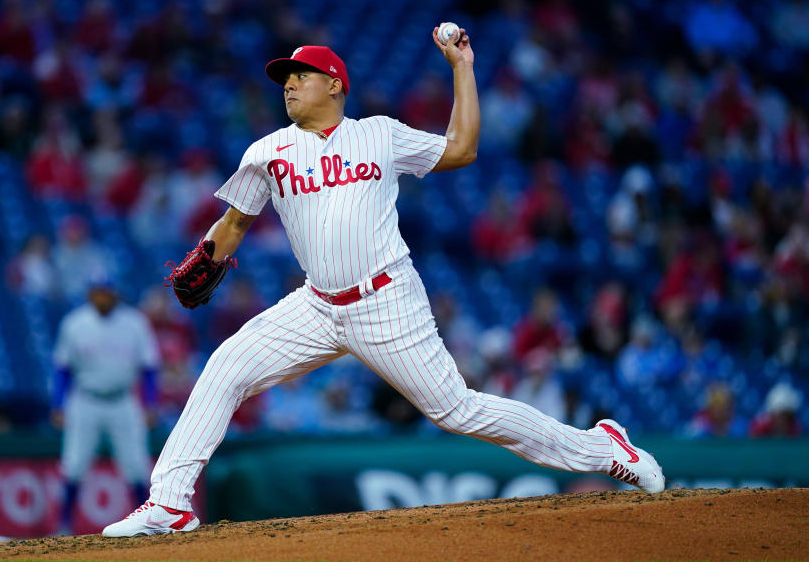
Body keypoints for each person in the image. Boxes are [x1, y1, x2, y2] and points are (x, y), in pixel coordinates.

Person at [103, 28, 664, 537]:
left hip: (387, 301)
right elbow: (234, 223)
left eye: (301, 76)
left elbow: (462, 148)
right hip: (315, 306)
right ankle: (170, 503)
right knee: (225, 367)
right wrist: (206, 255)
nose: (289, 86)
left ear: (335, 85)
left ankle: (601, 448)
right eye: (285, 79)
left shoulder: (378, 135)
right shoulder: (267, 151)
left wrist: (461, 68)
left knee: (458, 411)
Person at [52, 277, 159, 534]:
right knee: (74, 464)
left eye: (106, 292)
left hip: (123, 400)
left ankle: (144, 524)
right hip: (85, 400)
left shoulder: (135, 323)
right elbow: (62, 369)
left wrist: (150, 403)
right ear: (90, 295)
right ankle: (64, 525)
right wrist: (58, 404)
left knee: (136, 464)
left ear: (115, 294)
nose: (102, 297)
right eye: (97, 292)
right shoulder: (75, 323)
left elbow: (149, 368)